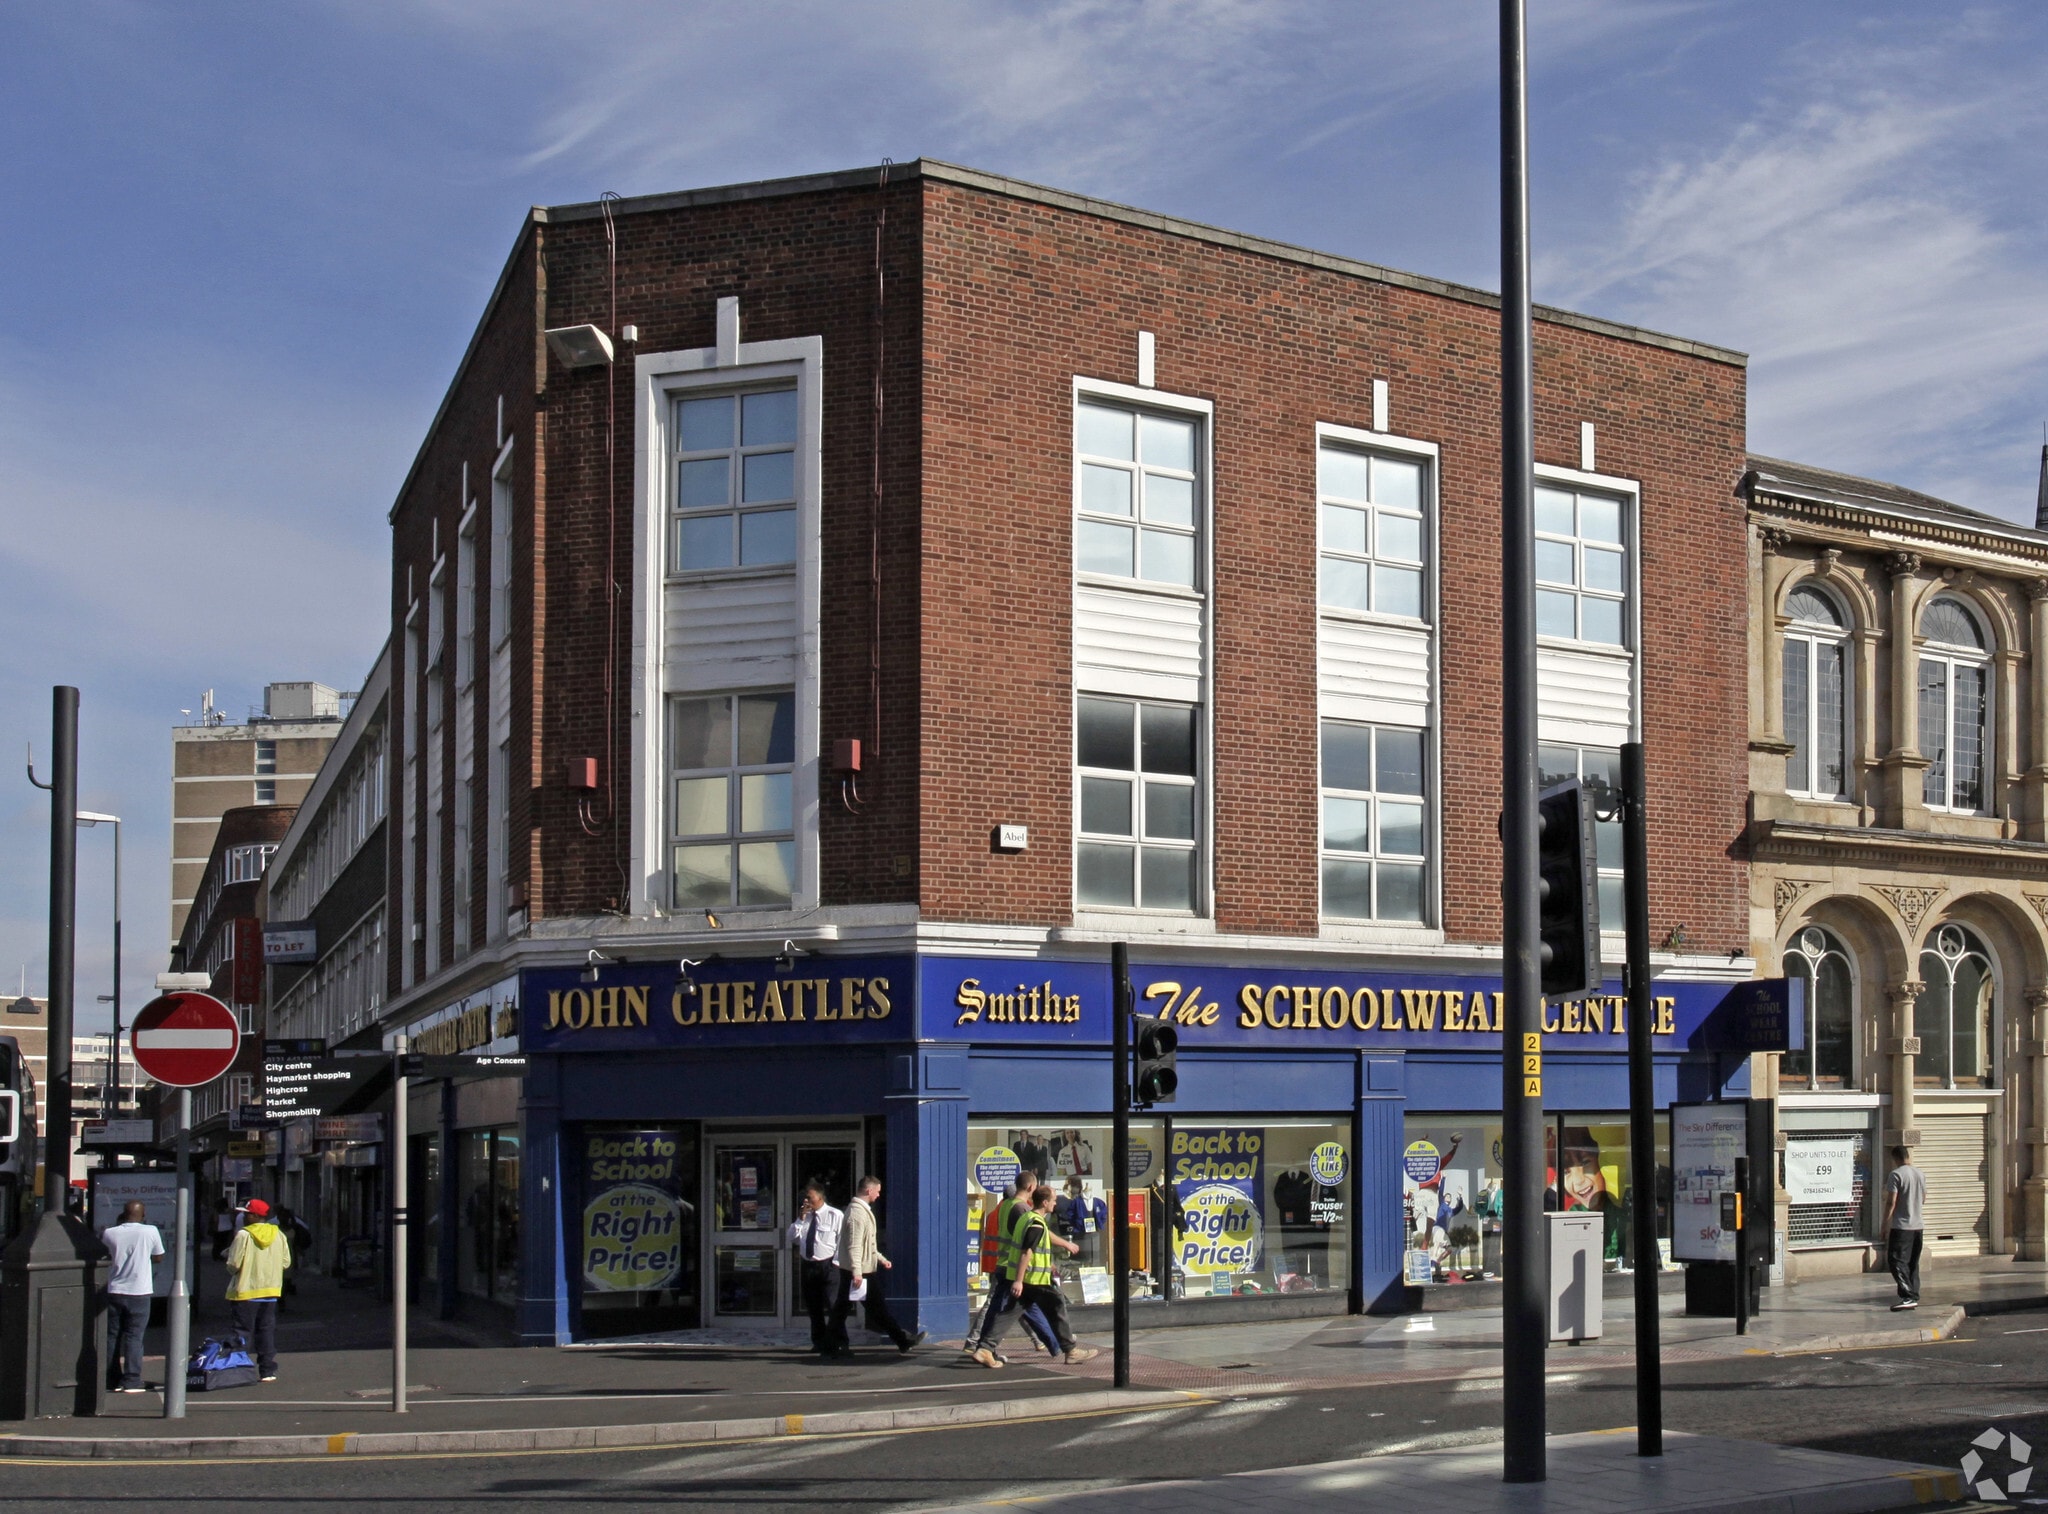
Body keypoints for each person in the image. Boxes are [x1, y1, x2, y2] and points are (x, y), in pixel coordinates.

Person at [973, 1185, 1098, 1368]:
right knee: (1058, 1306)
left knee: (1009, 1313)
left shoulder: (1026, 1218)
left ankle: (985, 1348)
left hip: (1027, 1280)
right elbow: (1026, 1252)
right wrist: (1018, 1280)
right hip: (1034, 1280)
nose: (1055, 1204)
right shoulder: (1037, 1224)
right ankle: (1070, 1350)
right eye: (1053, 1200)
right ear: (1045, 1202)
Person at [963, 1171, 1066, 1361]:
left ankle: (1056, 1345)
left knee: (1020, 1308)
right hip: (1016, 1269)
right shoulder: (1023, 1210)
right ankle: (980, 1346)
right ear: (1030, 1188)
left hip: (1005, 1266)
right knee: (1004, 1308)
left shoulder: (1004, 1206)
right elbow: (1030, 1242)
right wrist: (1066, 1244)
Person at [831, 1175, 926, 1355]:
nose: (878, 1195)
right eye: (878, 1191)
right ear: (869, 1190)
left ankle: (831, 1344)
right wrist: (857, 1272)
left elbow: (869, 1244)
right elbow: (854, 1245)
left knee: (846, 1309)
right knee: (873, 1309)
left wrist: (881, 1259)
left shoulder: (861, 1211)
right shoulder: (857, 1213)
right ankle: (902, 1340)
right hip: (860, 1272)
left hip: (859, 1269)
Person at [225, 1198, 292, 1381]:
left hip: (246, 1291)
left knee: (242, 1332)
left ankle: (239, 1369)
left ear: (255, 1215)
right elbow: (286, 1263)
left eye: (247, 1213)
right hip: (270, 1291)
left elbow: (233, 1264)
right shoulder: (278, 1235)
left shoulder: (243, 1235)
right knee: (266, 1331)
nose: (244, 1216)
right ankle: (267, 1370)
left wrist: (233, 1265)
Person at [101, 1200, 164, 1394]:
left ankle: (110, 1379)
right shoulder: (150, 1231)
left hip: (114, 1290)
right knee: (134, 1337)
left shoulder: (109, 1233)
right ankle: (132, 1380)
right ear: (143, 1215)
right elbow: (159, 1256)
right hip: (139, 1291)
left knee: (112, 1336)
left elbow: (105, 1256)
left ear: (123, 1213)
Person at [786, 1181, 845, 1355]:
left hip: (828, 1265)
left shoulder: (835, 1215)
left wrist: (836, 1264)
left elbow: (841, 1241)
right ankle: (818, 1342)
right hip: (809, 1266)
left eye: (810, 1197)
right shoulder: (806, 1217)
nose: (806, 1201)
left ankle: (838, 1341)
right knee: (814, 1307)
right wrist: (800, 1218)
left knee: (833, 1305)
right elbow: (792, 1238)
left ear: (820, 1197)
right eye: (805, 1197)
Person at [1883, 1145, 1925, 1311]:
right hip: (1918, 1226)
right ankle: (1913, 1294)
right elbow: (1924, 1198)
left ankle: (1907, 1296)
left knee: (1896, 1261)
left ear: (1895, 1159)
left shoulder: (1896, 1174)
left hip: (1902, 1226)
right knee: (1912, 1263)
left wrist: (1885, 1224)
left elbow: (1891, 1201)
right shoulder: (1920, 1174)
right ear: (1908, 1156)